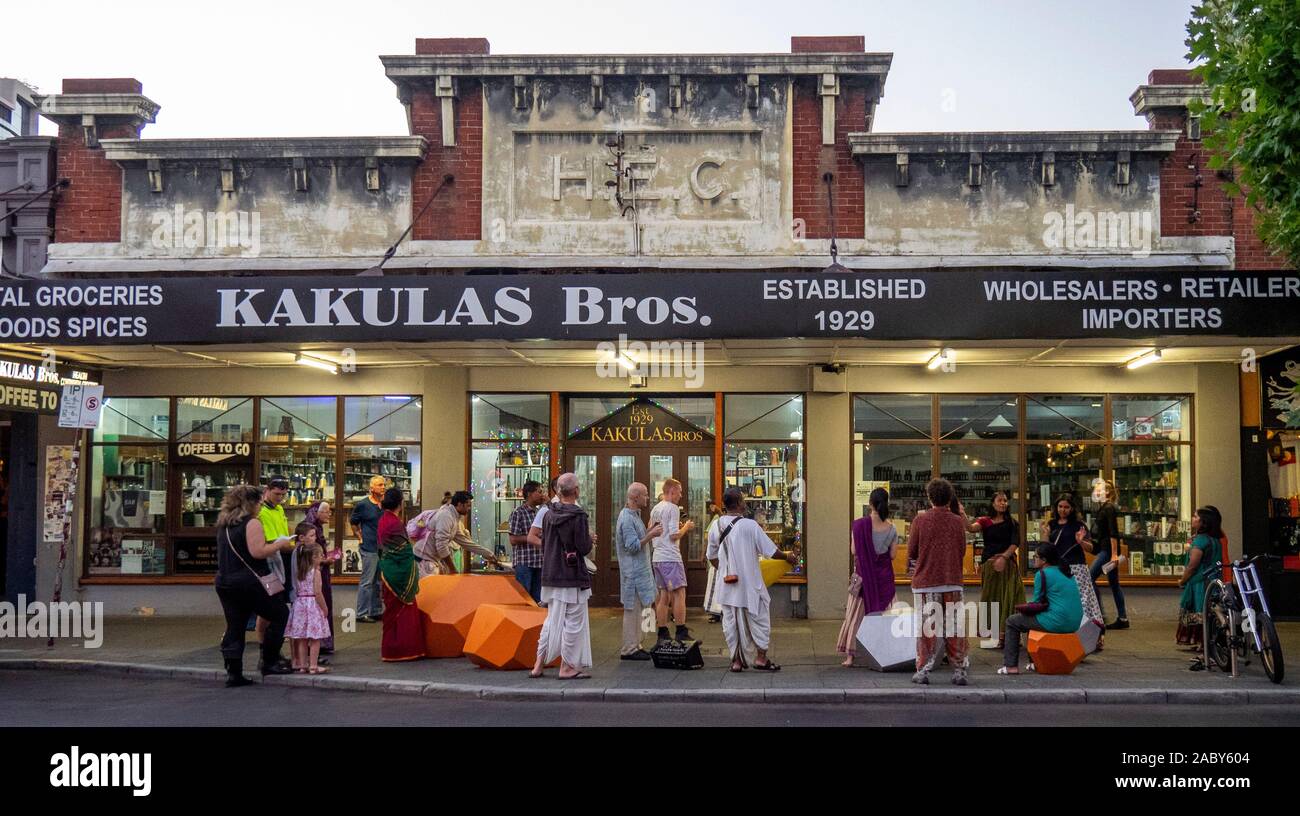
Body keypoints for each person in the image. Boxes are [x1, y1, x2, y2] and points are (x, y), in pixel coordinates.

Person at [707, 487, 796, 672]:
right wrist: (788, 557)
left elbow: (711, 556)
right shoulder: (750, 525)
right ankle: (761, 659)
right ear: (739, 503)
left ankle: (736, 662)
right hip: (750, 585)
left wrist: (725, 570)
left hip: (728, 585)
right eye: (743, 500)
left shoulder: (716, 525)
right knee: (759, 620)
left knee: (731, 624)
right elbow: (771, 552)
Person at [214, 485, 296, 687]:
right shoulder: (251, 523)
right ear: (250, 503)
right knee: (279, 614)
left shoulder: (224, 524)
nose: (260, 505)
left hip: (225, 581)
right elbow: (258, 551)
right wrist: (280, 543)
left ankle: (234, 672)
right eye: (259, 502)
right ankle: (269, 661)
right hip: (249, 582)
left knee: (236, 624)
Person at [529, 473, 595, 679]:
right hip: (571, 575)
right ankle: (567, 667)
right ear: (576, 491)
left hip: (551, 573)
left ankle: (538, 665)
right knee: (573, 622)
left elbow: (545, 542)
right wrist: (590, 539)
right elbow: (583, 547)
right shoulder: (578, 516)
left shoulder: (548, 514)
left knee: (552, 620)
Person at [907, 478, 971, 685]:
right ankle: (959, 669)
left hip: (926, 582)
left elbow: (912, 551)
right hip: (952, 580)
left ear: (929, 497)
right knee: (955, 627)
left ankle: (923, 669)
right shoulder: (957, 521)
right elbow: (962, 550)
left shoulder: (920, 521)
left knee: (927, 629)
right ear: (949, 497)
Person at [997, 542, 1083, 675]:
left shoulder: (1042, 574)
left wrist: (1021, 607)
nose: (1033, 558)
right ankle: (1034, 663)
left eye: (1036, 556)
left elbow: (1037, 604)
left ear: (1044, 560)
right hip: (1074, 622)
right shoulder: (1066, 572)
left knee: (1012, 622)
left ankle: (1010, 666)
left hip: (1058, 621)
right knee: (1030, 621)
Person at [836, 488, 898, 667]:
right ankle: (888, 651)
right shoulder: (892, 528)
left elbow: (854, 551)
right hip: (884, 578)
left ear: (870, 503)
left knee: (855, 617)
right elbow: (893, 555)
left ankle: (850, 656)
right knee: (887, 616)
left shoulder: (858, 525)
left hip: (864, 578)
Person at [1039, 493, 1104, 648]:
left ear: (1072, 508)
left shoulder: (1078, 525)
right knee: (1060, 601)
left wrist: (1081, 542)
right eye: (1060, 506)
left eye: (1066, 507)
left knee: (1083, 603)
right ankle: (1064, 633)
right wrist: (1045, 534)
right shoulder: (1052, 524)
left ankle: (1092, 637)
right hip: (1058, 568)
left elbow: (1093, 548)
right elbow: (1045, 549)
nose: (1063, 510)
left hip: (1076, 568)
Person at [966, 491, 1024, 650]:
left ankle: (1009, 635)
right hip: (990, 565)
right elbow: (971, 528)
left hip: (1007, 565)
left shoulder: (1012, 523)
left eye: (1005, 500)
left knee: (1010, 599)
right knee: (991, 599)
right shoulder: (985, 521)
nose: (1003, 503)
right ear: (992, 503)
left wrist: (1004, 558)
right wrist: (962, 514)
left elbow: (1015, 543)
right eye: (999, 500)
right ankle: (993, 636)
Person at [616, 482, 663, 661]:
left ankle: (639, 643)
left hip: (641, 572)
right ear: (635, 497)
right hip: (633, 573)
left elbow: (638, 539)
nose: (647, 497)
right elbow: (632, 546)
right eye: (644, 494)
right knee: (632, 610)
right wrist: (651, 535)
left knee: (644, 606)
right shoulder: (627, 518)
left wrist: (650, 530)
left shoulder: (634, 515)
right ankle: (629, 648)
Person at [377, 487, 423, 661]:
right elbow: (404, 551)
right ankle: (405, 649)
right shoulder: (394, 523)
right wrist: (414, 562)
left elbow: (384, 548)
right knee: (404, 611)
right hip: (400, 573)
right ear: (400, 503)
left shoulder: (383, 520)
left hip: (388, 568)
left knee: (391, 611)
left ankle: (390, 649)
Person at [651, 477, 696, 645]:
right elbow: (673, 535)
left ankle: (662, 632)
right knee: (679, 593)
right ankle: (681, 630)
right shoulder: (673, 508)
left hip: (657, 557)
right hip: (670, 557)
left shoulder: (656, 508)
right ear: (671, 491)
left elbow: (651, 528)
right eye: (680, 491)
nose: (681, 495)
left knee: (663, 595)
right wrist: (686, 527)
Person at [256, 476, 292, 670]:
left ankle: (274, 651)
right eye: (277, 494)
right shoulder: (262, 512)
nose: (280, 498)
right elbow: (271, 542)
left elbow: (283, 537)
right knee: (269, 610)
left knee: (277, 607)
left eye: (283, 495)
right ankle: (265, 651)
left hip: (280, 561)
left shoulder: (278, 509)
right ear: (267, 490)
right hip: (268, 563)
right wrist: (291, 545)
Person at [1177, 505, 1224, 649]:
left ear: (1203, 522)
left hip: (1200, 583)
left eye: (1196, 517)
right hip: (1213, 580)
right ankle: (1208, 643)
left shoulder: (1200, 541)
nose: (1193, 519)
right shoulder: (1215, 540)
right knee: (1211, 612)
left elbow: (1193, 565)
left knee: (1201, 612)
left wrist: (1182, 580)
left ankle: (1202, 642)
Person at [1089, 480, 1130, 630]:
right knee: (1114, 583)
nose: (1096, 492)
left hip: (1107, 551)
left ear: (1107, 492)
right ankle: (1123, 617)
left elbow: (1114, 532)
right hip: (1105, 549)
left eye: (1099, 489)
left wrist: (1113, 554)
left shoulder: (1109, 508)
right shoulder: (1104, 508)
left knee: (1089, 577)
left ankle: (1100, 614)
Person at [286, 540, 331, 674]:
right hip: (312, 605)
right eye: (321, 555)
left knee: (302, 639)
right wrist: (324, 608)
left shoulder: (300, 572)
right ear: (314, 557)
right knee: (315, 638)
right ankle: (313, 666)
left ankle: (302, 665)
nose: (323, 557)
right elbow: (317, 592)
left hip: (300, 604)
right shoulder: (316, 573)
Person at [349, 475, 387, 623]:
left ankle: (376, 611)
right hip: (369, 547)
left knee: (378, 581)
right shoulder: (363, 505)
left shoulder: (385, 505)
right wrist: (359, 536)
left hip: (382, 547)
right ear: (371, 488)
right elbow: (353, 522)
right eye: (379, 485)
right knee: (367, 581)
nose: (383, 487)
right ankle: (362, 612)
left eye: (384, 485)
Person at [301, 502, 335, 654]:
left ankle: (322, 643)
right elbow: (309, 554)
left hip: (321, 572)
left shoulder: (317, 527)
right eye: (327, 512)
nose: (329, 514)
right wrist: (324, 560)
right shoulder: (310, 529)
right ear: (317, 512)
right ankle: (315, 645)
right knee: (319, 606)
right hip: (314, 574)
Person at [507, 480, 547, 602]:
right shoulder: (517, 513)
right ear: (529, 494)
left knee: (538, 599)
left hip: (539, 562)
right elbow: (513, 539)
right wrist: (533, 536)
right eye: (539, 492)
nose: (542, 495)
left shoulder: (540, 512)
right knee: (524, 599)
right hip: (525, 563)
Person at [420, 490, 473, 576]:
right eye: (468, 506)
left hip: (438, 558)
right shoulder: (446, 516)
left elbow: (464, 541)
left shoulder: (454, 518)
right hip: (429, 560)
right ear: (459, 504)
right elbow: (441, 546)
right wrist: (453, 569)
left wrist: (487, 554)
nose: (469, 509)